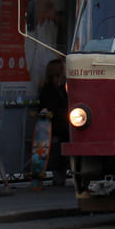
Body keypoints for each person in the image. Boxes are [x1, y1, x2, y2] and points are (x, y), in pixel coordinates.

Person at [36, 58, 70, 187]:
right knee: (61, 146)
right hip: (53, 126)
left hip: (58, 124)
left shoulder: (59, 88)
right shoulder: (50, 90)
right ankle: (59, 175)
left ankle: (60, 175)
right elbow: (53, 109)